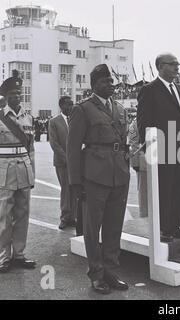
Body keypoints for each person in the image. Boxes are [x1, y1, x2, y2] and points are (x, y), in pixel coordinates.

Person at [67, 64, 130, 294]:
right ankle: (96, 274)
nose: (110, 85)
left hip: (119, 174)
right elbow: (73, 148)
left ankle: (111, 271)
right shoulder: (82, 109)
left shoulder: (120, 109)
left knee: (114, 226)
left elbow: (124, 142)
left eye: (112, 81)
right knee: (93, 229)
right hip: (94, 175)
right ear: (94, 85)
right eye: (105, 82)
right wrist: (75, 182)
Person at [137, 53, 180, 243]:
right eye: (173, 64)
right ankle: (164, 228)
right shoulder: (150, 90)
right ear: (161, 67)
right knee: (164, 188)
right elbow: (143, 121)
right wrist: (149, 148)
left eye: (178, 64)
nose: (178, 67)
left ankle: (176, 225)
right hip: (162, 148)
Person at [0, 75, 36, 273]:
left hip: (23, 169)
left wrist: (32, 173)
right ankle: (3, 257)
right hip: (4, 171)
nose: (16, 97)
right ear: (4, 96)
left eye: (18, 93)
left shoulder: (27, 117)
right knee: (4, 215)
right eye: (12, 94)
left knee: (23, 213)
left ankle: (19, 254)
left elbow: (31, 149)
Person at [49, 96, 77, 230]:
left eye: (72, 104)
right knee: (66, 189)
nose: (71, 107)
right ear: (62, 106)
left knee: (75, 189)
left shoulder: (75, 120)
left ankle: (73, 217)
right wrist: (67, 158)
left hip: (76, 162)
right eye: (69, 104)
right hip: (62, 162)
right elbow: (54, 143)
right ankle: (65, 217)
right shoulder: (54, 122)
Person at [128, 110, 147, 218]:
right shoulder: (135, 124)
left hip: (155, 160)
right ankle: (144, 215)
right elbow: (133, 144)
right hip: (142, 161)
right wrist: (135, 163)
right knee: (144, 191)